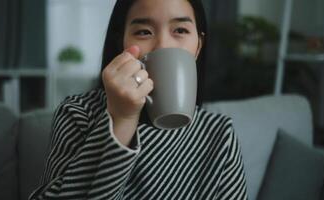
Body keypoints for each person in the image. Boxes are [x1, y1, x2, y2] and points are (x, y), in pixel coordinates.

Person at [30, 0, 248, 199]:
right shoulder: (78, 113)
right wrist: (122, 118)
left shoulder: (219, 133)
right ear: (122, 43)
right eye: (144, 32)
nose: (163, 45)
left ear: (198, 46)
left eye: (180, 30)